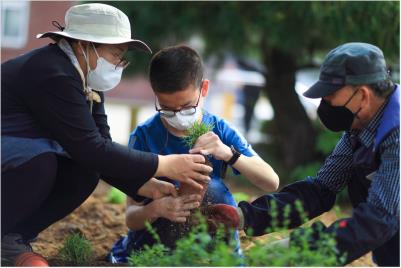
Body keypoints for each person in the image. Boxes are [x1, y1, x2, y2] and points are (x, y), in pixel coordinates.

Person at [1, 4, 212, 266]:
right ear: (85, 45)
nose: (119, 64)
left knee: (84, 171)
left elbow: (100, 147)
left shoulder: (87, 81)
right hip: (10, 151)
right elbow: (91, 148)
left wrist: (142, 184)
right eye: (116, 54)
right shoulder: (52, 72)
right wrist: (166, 164)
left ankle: (11, 239)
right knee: (38, 163)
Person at [204, 42, 399, 266]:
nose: (324, 104)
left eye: (330, 95)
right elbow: (319, 191)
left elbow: (379, 220)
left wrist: (300, 249)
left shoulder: (396, 136)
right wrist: (245, 216)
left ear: (363, 95)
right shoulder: (358, 130)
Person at [107, 45, 279, 264]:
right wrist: (157, 208)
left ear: (204, 89)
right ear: (156, 95)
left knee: (214, 188)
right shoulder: (143, 137)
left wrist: (228, 153)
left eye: (187, 107)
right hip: (155, 246)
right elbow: (132, 218)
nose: (178, 116)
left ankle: (220, 259)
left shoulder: (219, 130)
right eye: (167, 108)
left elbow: (271, 182)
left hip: (209, 242)